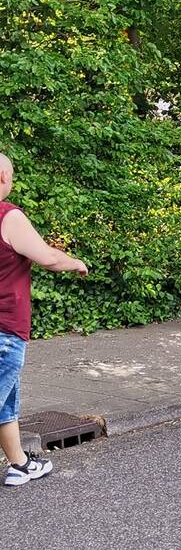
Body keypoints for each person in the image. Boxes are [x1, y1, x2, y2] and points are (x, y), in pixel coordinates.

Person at [0, 152, 88, 486]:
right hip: (5, 330)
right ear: (4, 177)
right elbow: (47, 257)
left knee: (6, 404)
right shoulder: (8, 216)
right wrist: (75, 262)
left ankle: (20, 465)